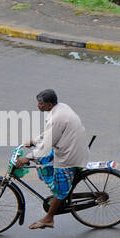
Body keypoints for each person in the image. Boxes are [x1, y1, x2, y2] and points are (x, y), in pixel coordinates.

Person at [19, 89, 90, 230]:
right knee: (42, 160)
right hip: (69, 146)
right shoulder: (60, 108)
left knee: (60, 190)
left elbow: (47, 145)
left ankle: (49, 218)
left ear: (49, 105)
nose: (38, 105)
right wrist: (34, 141)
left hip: (69, 156)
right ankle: (56, 189)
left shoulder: (57, 118)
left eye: (40, 103)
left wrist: (27, 157)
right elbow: (49, 134)